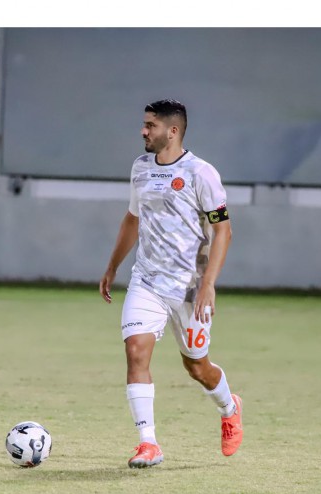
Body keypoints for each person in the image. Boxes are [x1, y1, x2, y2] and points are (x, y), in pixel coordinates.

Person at [99, 99, 242, 468]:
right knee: (136, 351)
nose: (143, 131)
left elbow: (223, 231)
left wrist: (208, 284)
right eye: (144, 124)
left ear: (173, 131)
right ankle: (148, 444)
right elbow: (133, 219)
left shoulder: (201, 173)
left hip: (190, 288)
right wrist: (113, 266)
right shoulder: (140, 168)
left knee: (197, 367)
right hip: (146, 281)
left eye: (151, 126)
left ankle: (229, 408)